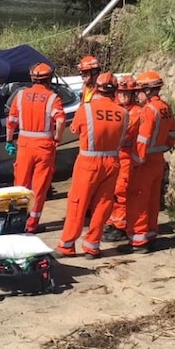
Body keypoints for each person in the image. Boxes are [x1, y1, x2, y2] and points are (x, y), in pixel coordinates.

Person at [56, 73, 138, 259]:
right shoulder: (124, 113)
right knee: (103, 204)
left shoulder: (86, 109)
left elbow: (75, 129)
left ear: (97, 89)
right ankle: (92, 246)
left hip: (88, 161)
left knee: (78, 202)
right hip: (113, 162)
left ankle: (67, 245)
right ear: (115, 92)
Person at [122, 71, 175, 253]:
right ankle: (151, 233)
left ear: (148, 91)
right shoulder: (165, 107)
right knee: (153, 201)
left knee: (138, 200)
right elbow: (173, 133)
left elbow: (143, 138)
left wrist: (136, 161)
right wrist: (164, 147)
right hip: (158, 160)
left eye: (139, 90)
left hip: (144, 162)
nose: (136, 94)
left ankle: (138, 241)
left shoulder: (148, 110)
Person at [5, 62, 65, 233]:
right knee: (39, 187)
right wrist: (57, 138)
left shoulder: (21, 95)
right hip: (44, 148)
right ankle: (31, 225)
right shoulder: (53, 98)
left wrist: (9, 141)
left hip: (24, 145)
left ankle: (17, 222)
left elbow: (11, 121)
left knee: (20, 186)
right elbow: (60, 121)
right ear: (49, 79)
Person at [102, 75, 144, 242]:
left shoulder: (137, 112)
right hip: (114, 156)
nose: (123, 96)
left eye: (127, 93)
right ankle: (113, 221)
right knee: (112, 191)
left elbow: (125, 134)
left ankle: (121, 226)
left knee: (122, 191)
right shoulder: (115, 108)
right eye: (121, 93)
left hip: (127, 156)